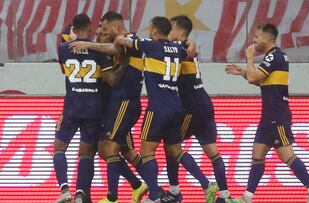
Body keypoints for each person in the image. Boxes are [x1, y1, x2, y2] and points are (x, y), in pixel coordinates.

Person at [114, 16, 218, 203]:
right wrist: (190, 43)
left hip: (158, 106)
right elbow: (190, 53)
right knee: (175, 150)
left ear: (154, 31)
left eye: (150, 28)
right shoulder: (178, 49)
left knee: (147, 151)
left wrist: (119, 36)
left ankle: (154, 196)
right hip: (176, 106)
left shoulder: (150, 45)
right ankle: (206, 183)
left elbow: (124, 41)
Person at [225, 23, 309, 203]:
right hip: (268, 116)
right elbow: (260, 81)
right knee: (257, 155)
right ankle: (247, 197)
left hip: (277, 115)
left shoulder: (274, 55)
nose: (254, 41)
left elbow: (255, 77)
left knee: (287, 156)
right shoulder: (274, 56)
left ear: (266, 39)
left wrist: (249, 58)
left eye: (256, 37)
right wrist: (242, 73)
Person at [70, 11, 148, 203]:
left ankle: (145, 189)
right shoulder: (97, 50)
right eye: (98, 29)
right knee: (108, 151)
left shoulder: (123, 43)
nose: (100, 31)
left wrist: (88, 44)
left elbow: (114, 51)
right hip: (104, 109)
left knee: (119, 149)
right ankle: (140, 186)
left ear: (112, 28)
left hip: (120, 105)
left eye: (103, 28)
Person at [166, 15, 240, 203]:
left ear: (181, 32)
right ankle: (225, 196)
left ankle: (188, 188)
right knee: (213, 153)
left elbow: (183, 51)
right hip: (204, 104)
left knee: (171, 147)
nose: (168, 30)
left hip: (191, 107)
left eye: (171, 27)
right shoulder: (186, 47)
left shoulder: (180, 48)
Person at [54, 13, 120, 203]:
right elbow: (111, 80)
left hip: (72, 108)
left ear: (74, 30)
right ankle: (81, 193)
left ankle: (64, 189)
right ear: (90, 29)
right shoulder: (99, 51)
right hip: (93, 109)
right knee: (86, 153)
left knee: (59, 149)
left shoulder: (64, 49)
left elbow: (63, 71)